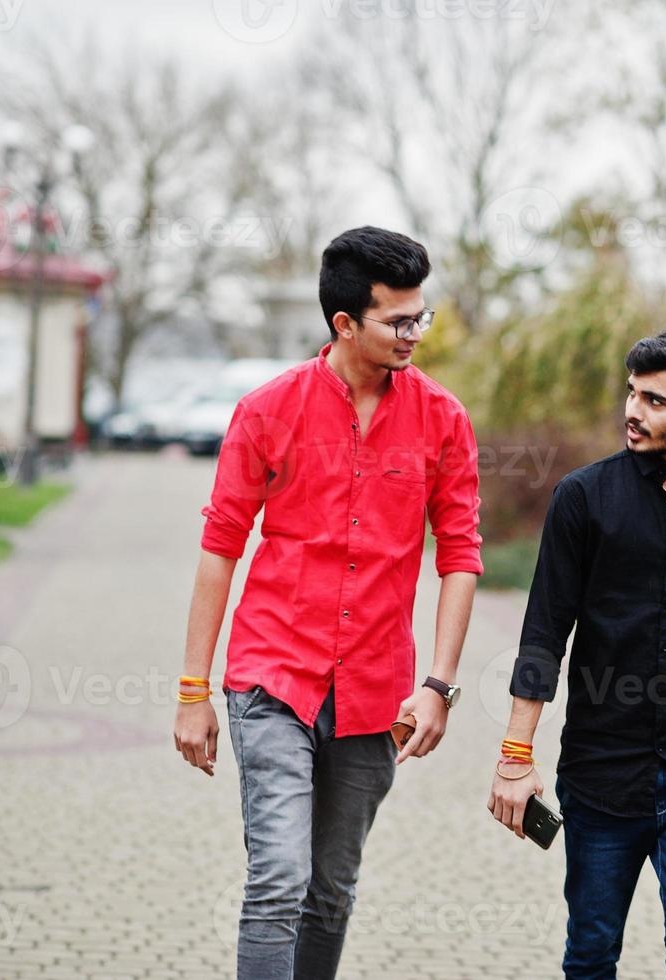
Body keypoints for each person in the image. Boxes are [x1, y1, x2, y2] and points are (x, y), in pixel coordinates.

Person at [172, 226, 484, 979]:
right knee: (279, 877)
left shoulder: (442, 420)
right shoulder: (267, 411)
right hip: (272, 674)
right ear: (344, 323)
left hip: (374, 690)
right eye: (398, 320)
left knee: (331, 890)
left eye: (421, 316)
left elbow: (461, 554)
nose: (415, 333)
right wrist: (193, 692)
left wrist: (438, 685)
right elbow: (221, 547)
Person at [488, 326, 666, 980]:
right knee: (590, 954)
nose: (632, 412)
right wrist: (514, 756)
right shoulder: (583, 498)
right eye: (631, 394)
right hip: (600, 772)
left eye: (654, 401)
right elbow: (544, 632)